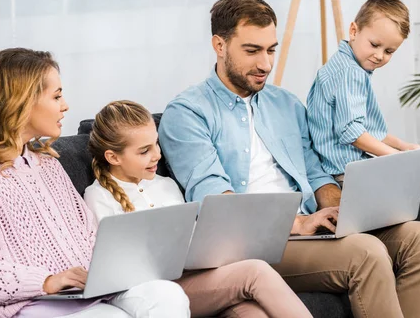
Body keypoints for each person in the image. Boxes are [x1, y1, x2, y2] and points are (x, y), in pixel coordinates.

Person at [159, 0, 420, 318]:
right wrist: (296, 222)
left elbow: (315, 172)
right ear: (220, 45)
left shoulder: (286, 104)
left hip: (311, 226)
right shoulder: (187, 114)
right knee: (366, 254)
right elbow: (219, 205)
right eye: (252, 51)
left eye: (271, 50)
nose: (265, 64)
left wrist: (344, 212)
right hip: (257, 244)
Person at [0, 48, 189, 318]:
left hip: (85, 288)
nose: (65, 105)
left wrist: (107, 271)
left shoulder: (47, 164)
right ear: (22, 102)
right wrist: (46, 281)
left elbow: (89, 235)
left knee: (167, 295)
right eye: (56, 96)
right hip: (27, 301)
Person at [84, 100, 312, 318]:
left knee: (254, 312)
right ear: (113, 157)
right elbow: (110, 265)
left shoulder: (166, 185)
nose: (157, 155)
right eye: (144, 151)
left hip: (196, 275)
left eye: (156, 144)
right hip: (154, 291)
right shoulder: (98, 197)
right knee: (256, 272)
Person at [307, 0, 420, 185]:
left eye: (389, 51)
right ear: (353, 31)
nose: (379, 55)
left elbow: (365, 129)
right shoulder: (351, 73)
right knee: (417, 187)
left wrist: (402, 146)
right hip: (343, 173)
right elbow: (352, 132)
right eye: (375, 45)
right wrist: (396, 157)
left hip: (337, 167)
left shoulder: (342, 63)